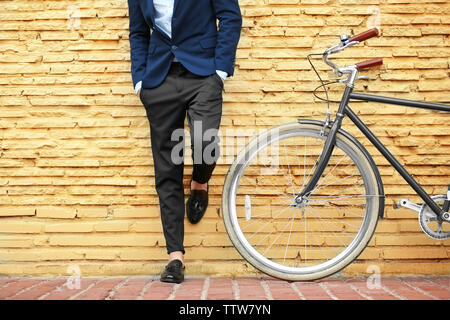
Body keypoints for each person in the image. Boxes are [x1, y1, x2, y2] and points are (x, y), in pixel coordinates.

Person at [127, 0, 242, 283]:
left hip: (204, 75)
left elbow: (230, 17)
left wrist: (220, 72)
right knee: (166, 168)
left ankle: (200, 182)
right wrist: (140, 82)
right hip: (158, 80)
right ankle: (175, 257)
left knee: (205, 142)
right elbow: (138, 32)